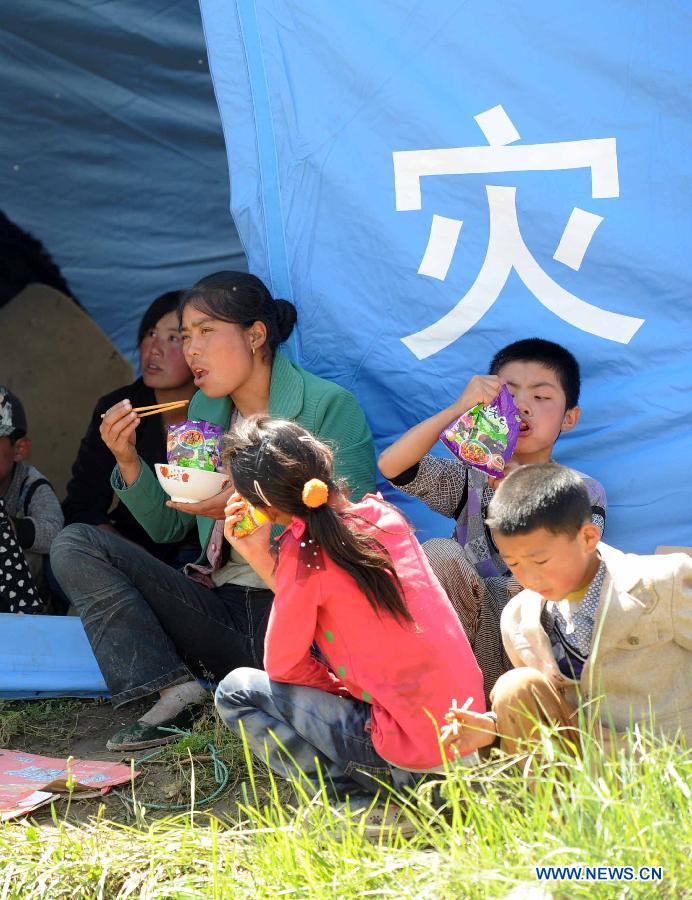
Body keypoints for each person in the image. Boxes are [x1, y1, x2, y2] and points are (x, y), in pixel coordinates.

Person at [50, 271, 377, 751]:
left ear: (256, 335)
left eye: (205, 331)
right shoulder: (204, 411)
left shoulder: (328, 407)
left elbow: (350, 538)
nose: (191, 350)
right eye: (185, 336)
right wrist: (128, 460)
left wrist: (251, 507)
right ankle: (175, 689)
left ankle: (274, 688)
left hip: (300, 618)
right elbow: (169, 527)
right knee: (75, 542)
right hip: (220, 608)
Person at [215, 416, 485, 809]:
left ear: (265, 506)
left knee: (237, 691)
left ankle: (357, 808)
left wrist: (338, 693)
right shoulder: (382, 517)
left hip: (414, 749)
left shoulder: (304, 554)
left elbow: (283, 667)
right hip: (464, 735)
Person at [378, 338, 607, 703]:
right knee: (439, 552)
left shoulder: (581, 491)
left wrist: (518, 487)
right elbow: (393, 465)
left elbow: (576, 575)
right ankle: (432, 709)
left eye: (542, 397)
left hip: (539, 647)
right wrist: (460, 408)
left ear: (569, 417)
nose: (522, 407)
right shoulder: (473, 480)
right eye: (508, 394)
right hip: (471, 642)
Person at [442, 464, 692, 761]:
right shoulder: (520, 618)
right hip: (587, 779)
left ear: (588, 537)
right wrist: (493, 730)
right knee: (515, 687)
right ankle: (553, 808)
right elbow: (556, 711)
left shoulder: (664, 582)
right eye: (515, 564)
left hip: (668, 764)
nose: (530, 579)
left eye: (541, 561)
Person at [62, 290, 197, 563]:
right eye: (150, 333)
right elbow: (83, 506)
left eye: (173, 338)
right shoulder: (119, 409)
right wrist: (140, 561)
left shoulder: (216, 408)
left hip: (199, 554)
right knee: (68, 551)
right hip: (130, 547)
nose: (154, 349)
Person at [0, 386, 63, 611]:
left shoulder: (31, 485)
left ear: (19, 448)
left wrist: (12, 528)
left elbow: (55, 532)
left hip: (20, 602)